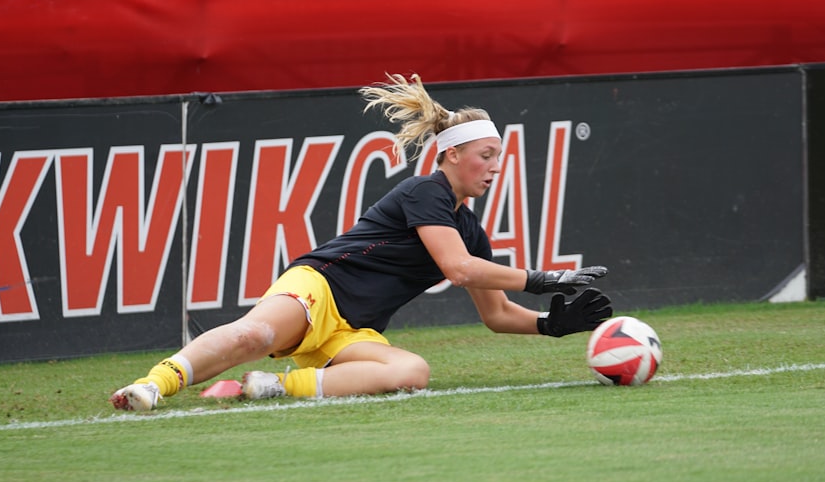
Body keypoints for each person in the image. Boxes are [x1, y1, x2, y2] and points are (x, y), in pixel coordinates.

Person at [111, 73, 612, 411]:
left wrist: (551, 324)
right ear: (452, 155)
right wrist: (544, 279)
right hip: (319, 289)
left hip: (352, 329)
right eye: (487, 155)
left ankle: (273, 387)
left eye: (499, 155)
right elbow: (458, 269)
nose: (496, 166)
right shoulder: (424, 191)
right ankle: (155, 384)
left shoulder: (468, 227)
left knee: (412, 371)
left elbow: (496, 313)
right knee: (253, 337)